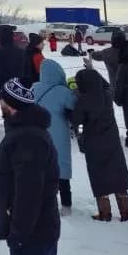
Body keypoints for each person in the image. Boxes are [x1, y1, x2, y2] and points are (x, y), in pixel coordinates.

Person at [0, 79, 61, 255]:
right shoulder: (25, 132)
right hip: (39, 231)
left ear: (11, 105)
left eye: (2, 100)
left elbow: (29, 192)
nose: (0, 103)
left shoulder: (27, 138)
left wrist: (19, 233)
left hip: (32, 235)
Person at [72, 64, 128, 221]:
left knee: (99, 177)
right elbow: (105, 84)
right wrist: (92, 71)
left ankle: (104, 213)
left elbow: (75, 119)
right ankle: (126, 213)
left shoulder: (84, 100)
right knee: (118, 174)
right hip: (112, 140)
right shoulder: (107, 94)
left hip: (94, 142)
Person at [33, 59, 76, 215]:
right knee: (61, 169)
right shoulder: (63, 91)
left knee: (41, 169)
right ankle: (66, 205)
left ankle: (42, 203)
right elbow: (73, 105)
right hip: (59, 135)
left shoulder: (34, 88)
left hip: (39, 134)